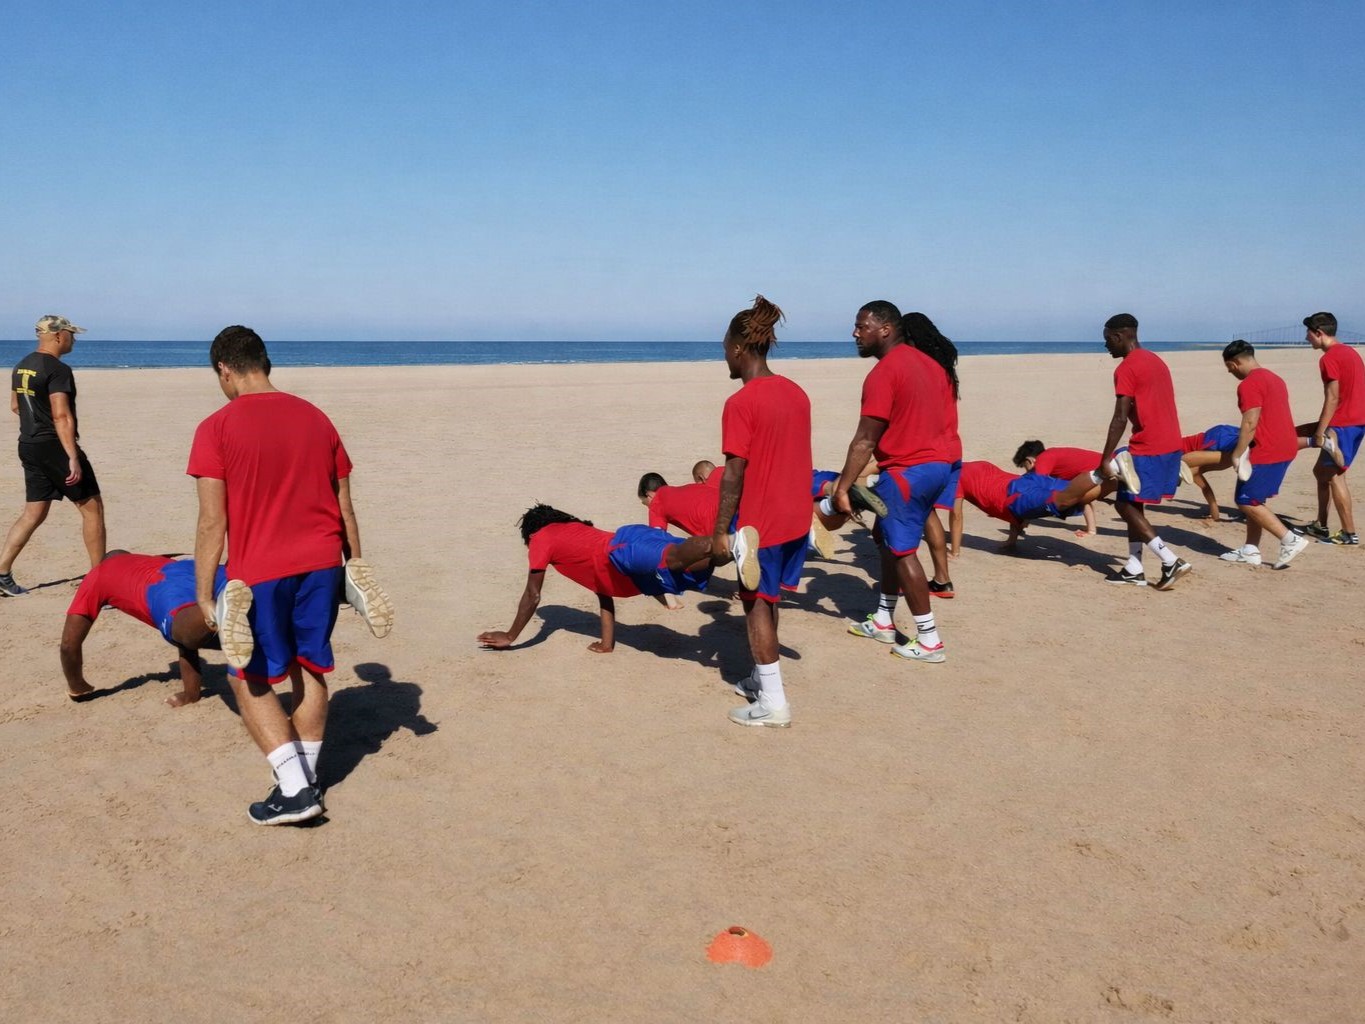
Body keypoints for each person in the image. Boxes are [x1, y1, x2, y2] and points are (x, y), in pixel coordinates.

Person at [188, 325, 390, 827]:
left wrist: (203, 591)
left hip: (262, 570)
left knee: (247, 676)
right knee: (311, 667)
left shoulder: (215, 427)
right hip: (323, 561)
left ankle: (296, 790)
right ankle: (307, 779)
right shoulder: (317, 419)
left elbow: (214, 520)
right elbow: (345, 504)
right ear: (266, 362)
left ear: (225, 371)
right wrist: (354, 567)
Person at [832, 301, 955, 662]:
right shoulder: (933, 366)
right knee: (883, 537)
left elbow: (865, 440)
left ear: (885, 329)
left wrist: (843, 487)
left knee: (902, 550)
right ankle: (884, 619)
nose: (855, 333)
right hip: (937, 467)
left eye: (861, 326)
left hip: (907, 473)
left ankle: (929, 639)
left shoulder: (884, 373)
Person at [710, 296, 812, 728]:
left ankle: (774, 704)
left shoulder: (741, 402)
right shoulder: (795, 392)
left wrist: (719, 531)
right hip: (796, 517)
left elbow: (734, 473)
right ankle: (758, 678)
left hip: (760, 523)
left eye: (724, 346)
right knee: (771, 599)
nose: (723, 355)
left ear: (738, 347)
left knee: (754, 604)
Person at [477, 503, 738, 653]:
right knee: (691, 568)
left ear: (530, 532)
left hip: (623, 549)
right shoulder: (573, 531)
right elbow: (603, 589)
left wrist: (510, 635)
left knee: (674, 558)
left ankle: (735, 541)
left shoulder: (541, 538)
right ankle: (741, 550)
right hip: (632, 564)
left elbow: (533, 594)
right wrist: (607, 643)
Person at [0, 315, 107, 596]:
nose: (74, 339)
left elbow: (15, 406)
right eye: (72, 334)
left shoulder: (22, 365)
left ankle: (1, 572)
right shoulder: (57, 369)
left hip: (29, 444)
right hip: (54, 446)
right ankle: (99, 583)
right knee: (92, 508)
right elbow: (61, 414)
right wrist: (71, 455)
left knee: (33, 512)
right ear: (59, 336)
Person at [1094, 313, 1192, 589]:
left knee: (1123, 504)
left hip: (1149, 445)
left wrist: (1105, 457)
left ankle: (1169, 559)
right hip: (1171, 441)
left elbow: (1120, 417)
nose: (1106, 347)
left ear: (1119, 336)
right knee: (1134, 503)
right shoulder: (1156, 360)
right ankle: (1134, 567)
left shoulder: (1126, 368)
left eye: (1107, 340)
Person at [61, 551, 233, 707]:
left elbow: (69, 644)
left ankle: (222, 609)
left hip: (162, 586)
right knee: (236, 624)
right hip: (192, 569)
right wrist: (191, 693)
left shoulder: (98, 574)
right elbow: (185, 647)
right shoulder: (150, 560)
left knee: (181, 627)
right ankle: (234, 604)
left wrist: (77, 685)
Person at [1217, 341, 1310, 568]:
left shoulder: (1249, 384)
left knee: (1246, 500)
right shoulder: (1275, 378)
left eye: (1230, 369)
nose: (1231, 373)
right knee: (1255, 497)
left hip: (1268, 449)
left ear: (1235, 363)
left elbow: (1250, 422)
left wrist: (1237, 454)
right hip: (1286, 446)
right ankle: (1250, 548)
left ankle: (1289, 539)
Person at [901, 312, 963, 597]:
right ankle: (942, 578)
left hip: (926, 451)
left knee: (910, 516)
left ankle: (904, 579)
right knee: (929, 513)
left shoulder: (920, 369)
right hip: (951, 447)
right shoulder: (944, 369)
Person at [1294, 312, 1364, 545]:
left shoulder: (1329, 358)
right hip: (1356, 421)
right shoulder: (1350, 353)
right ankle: (1321, 525)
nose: (1306, 339)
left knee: (1335, 477)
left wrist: (1319, 431)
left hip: (1343, 425)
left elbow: (1332, 397)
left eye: (1308, 334)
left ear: (1319, 333)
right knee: (1321, 473)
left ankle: (1348, 533)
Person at [953, 460, 1116, 552]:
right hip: (1027, 481)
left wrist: (955, 550)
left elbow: (956, 516)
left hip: (1017, 498)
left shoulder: (954, 479)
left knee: (1068, 498)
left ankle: (1112, 473)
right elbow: (1002, 493)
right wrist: (1012, 540)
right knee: (1071, 489)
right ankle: (1117, 479)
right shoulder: (976, 465)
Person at [1011, 441, 1124, 537]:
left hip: (1108, 473)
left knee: (1072, 496)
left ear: (1030, 460)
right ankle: (1091, 529)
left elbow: (1034, 494)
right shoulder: (1052, 456)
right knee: (1075, 493)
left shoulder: (1043, 460)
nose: (1026, 471)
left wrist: (1024, 519)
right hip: (1111, 469)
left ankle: (1091, 530)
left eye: (1024, 466)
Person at [1178, 424, 1242, 521]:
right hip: (1215, 437)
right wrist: (1214, 509)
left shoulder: (1186, 465)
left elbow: (1205, 488)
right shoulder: (1191, 470)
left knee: (1235, 455)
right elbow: (1205, 488)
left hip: (1213, 440)